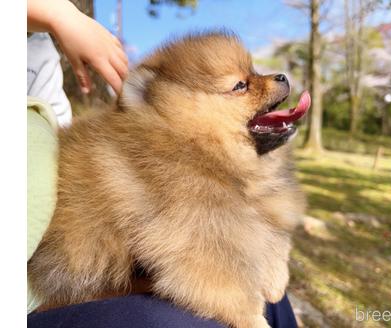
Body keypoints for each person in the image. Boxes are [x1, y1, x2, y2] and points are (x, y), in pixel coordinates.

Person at [27, 1, 298, 327]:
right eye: (239, 85)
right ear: (162, 102)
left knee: (276, 298)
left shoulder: (37, 52)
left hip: (123, 266)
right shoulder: (167, 167)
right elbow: (198, 267)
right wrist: (247, 316)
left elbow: (263, 220)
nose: (270, 81)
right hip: (46, 285)